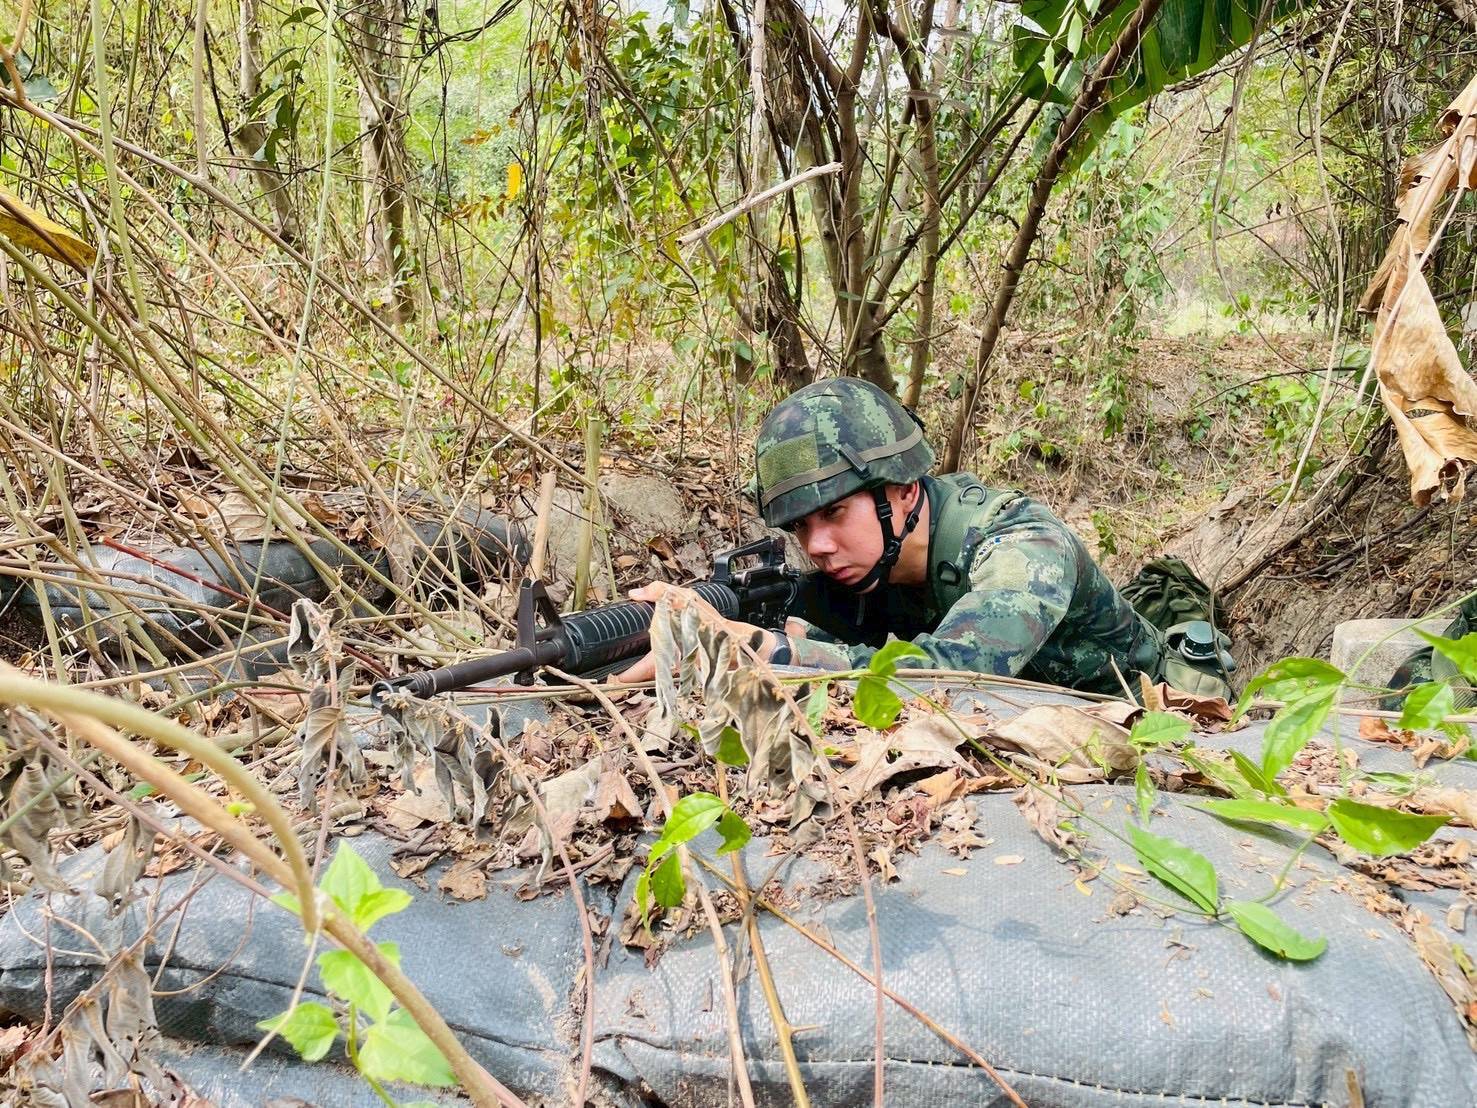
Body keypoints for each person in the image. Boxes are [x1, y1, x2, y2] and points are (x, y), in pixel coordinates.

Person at [618, 377, 1231, 698]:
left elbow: (952, 679)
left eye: (834, 514)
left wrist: (757, 651)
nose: (818, 545)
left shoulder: (1023, 548)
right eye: (801, 527)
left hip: (1160, 716)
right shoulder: (873, 562)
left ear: (904, 490)